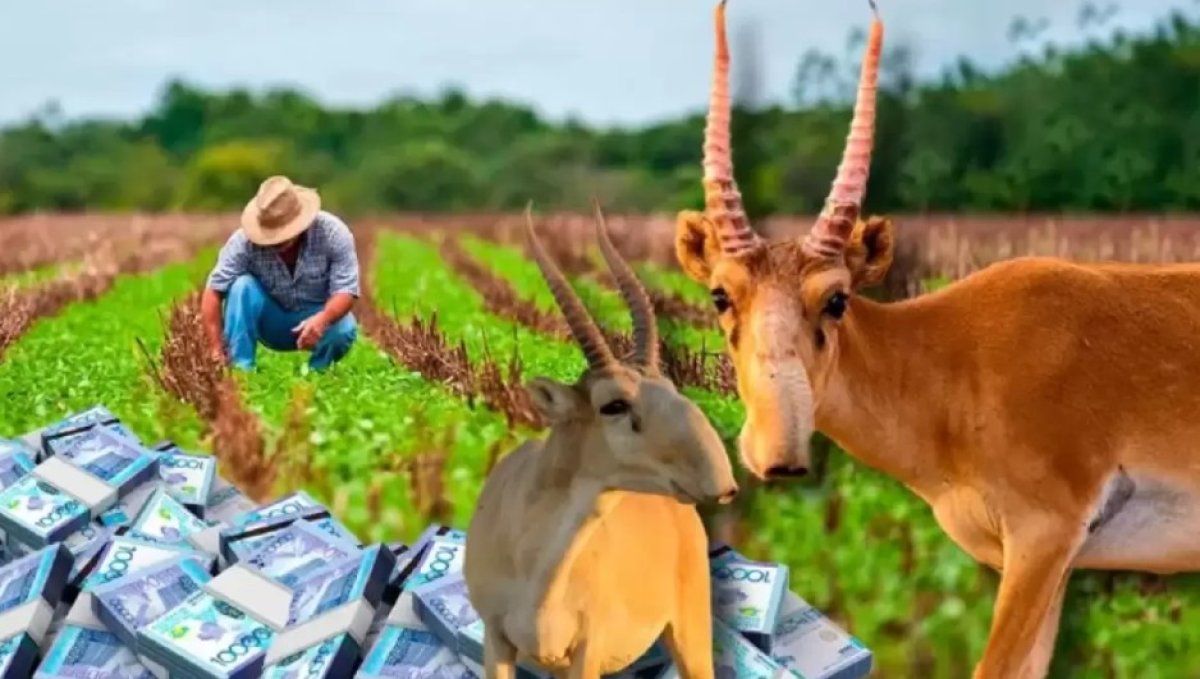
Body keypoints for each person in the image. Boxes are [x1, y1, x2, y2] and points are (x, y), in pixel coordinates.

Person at [201, 175, 360, 372]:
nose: (277, 241)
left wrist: (323, 319)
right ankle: (241, 370)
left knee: (344, 328)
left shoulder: (333, 233)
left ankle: (317, 373)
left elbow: (346, 291)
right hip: (271, 320)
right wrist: (215, 350)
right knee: (242, 286)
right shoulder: (243, 242)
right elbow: (213, 292)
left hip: (317, 317)